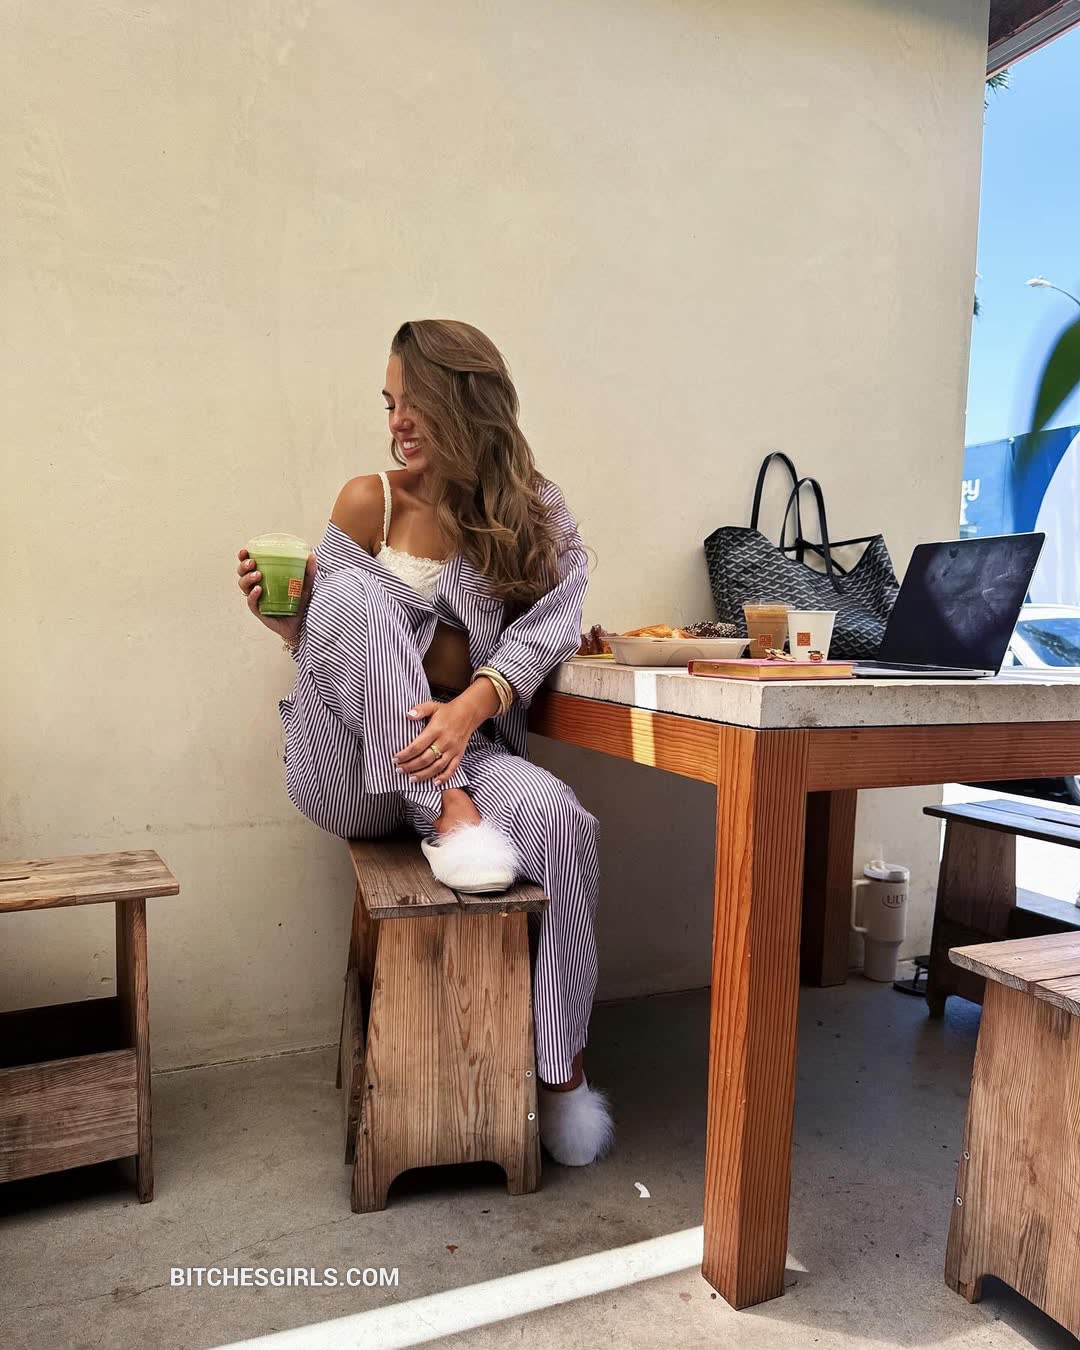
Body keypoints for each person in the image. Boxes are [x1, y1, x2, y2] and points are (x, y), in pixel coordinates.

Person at [236, 319, 613, 1166]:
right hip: (350, 769)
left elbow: (552, 625)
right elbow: (334, 639)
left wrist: (471, 706)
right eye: (389, 404)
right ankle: (445, 811)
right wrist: (288, 623)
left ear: (468, 400)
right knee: (350, 596)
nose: (397, 422)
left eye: (415, 402)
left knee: (561, 820)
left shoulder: (535, 511)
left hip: (466, 751)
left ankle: (562, 1075)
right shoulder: (368, 501)